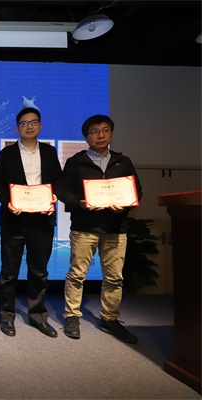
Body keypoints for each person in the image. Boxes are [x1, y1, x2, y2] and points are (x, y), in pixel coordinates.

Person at [57, 114, 142, 344]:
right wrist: (80, 203)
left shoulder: (123, 162)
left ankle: (110, 318)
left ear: (111, 133)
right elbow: (63, 190)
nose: (100, 135)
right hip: (84, 227)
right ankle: (72, 316)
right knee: (77, 275)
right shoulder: (76, 162)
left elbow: (137, 191)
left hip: (116, 227)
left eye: (105, 130)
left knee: (114, 277)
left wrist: (124, 206)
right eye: (94, 132)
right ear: (86, 137)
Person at [0, 107, 62, 338]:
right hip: (14, 219)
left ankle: (38, 316)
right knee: (9, 272)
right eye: (24, 123)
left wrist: (54, 195)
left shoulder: (50, 152)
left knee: (39, 271)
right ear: (17, 129)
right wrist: (8, 202)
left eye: (33, 122)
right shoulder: (7, 154)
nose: (29, 126)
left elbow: (58, 181)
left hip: (42, 220)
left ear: (40, 126)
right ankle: (6, 316)